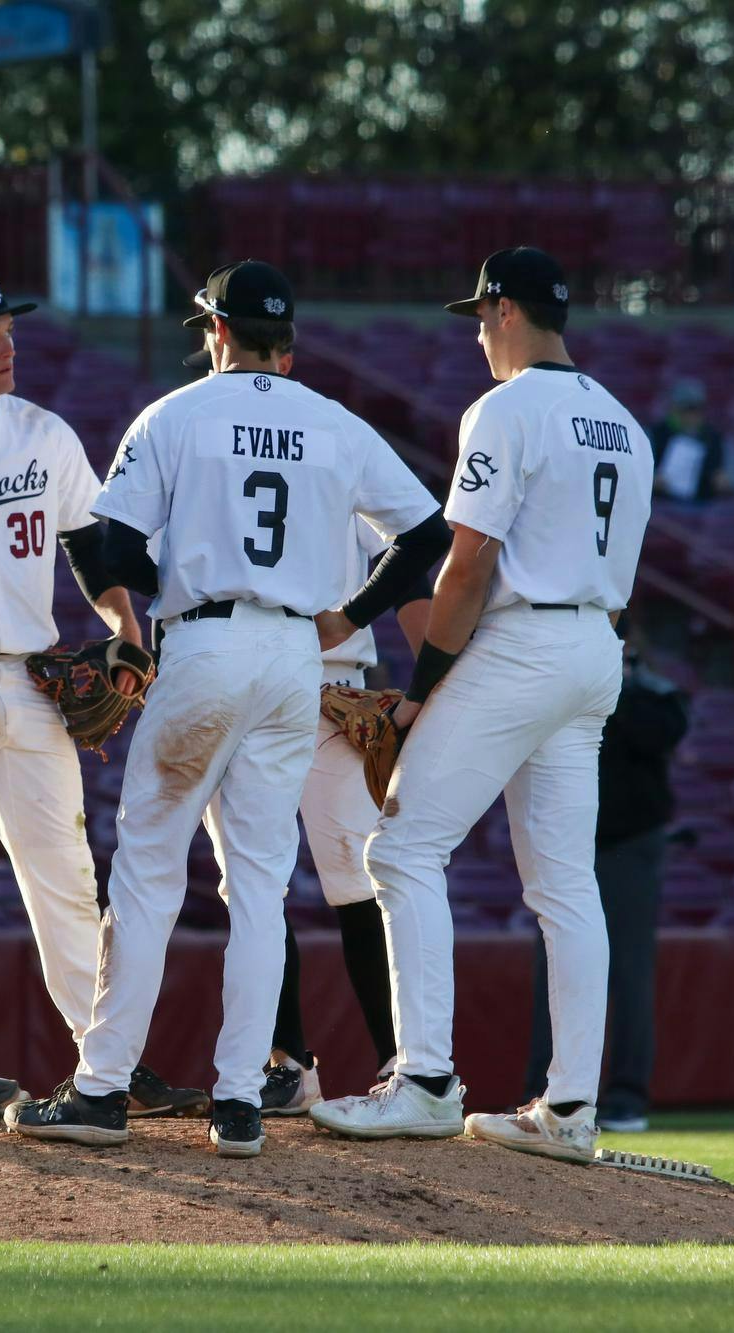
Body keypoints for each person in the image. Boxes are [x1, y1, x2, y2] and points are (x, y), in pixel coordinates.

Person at [7, 259, 447, 1157]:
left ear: (216, 332)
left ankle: (99, 1087)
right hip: (297, 657)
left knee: (149, 872)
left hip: (203, 643)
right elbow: (429, 534)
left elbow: (103, 535)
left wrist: (128, 629)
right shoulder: (334, 422)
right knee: (259, 884)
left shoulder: (179, 414)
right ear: (284, 343)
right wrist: (352, 614)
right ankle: (242, 1100)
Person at [308, 246, 655, 1163]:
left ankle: (423, 1079)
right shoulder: (623, 421)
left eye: (479, 313)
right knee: (567, 887)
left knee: (405, 845)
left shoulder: (504, 409)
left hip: (527, 639)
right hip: (594, 645)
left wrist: (423, 690)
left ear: (505, 311)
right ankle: (572, 1107)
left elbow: (467, 565)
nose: (475, 330)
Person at [0, 272, 205, 1120]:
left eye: (7, 330)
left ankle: (107, 1065)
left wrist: (124, 626)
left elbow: (90, 547)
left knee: (66, 878)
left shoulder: (44, 434)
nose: (7, 346)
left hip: (33, 677)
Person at [185, 345, 433, 1114]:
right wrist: (428, 688)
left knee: (332, 883)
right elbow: (415, 562)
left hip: (316, 693)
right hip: (308, 685)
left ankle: (395, 1064)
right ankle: (297, 1060)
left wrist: (425, 689)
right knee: (283, 885)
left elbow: (412, 565)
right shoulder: (331, 445)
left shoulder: (204, 443)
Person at [520, 631, 689, 1133]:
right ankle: (544, 1091)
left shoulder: (650, 691)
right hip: (566, 839)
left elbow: (661, 736)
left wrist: (612, 681)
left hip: (627, 844)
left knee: (631, 972)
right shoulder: (558, 676)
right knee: (553, 967)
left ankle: (625, 1096)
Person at [649, 378, 734, 504]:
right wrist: (652, 480)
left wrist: (725, 481)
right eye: (685, 410)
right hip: (661, 506)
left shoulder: (716, 439)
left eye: (695, 409)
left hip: (704, 509)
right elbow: (638, 475)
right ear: (673, 408)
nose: (690, 416)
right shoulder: (653, 435)